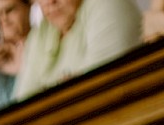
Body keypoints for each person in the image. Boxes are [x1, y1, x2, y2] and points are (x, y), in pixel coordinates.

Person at [15, 0, 143, 102]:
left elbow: (95, 92)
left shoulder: (108, 5)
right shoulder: (40, 34)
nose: (50, 1)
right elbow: (24, 105)